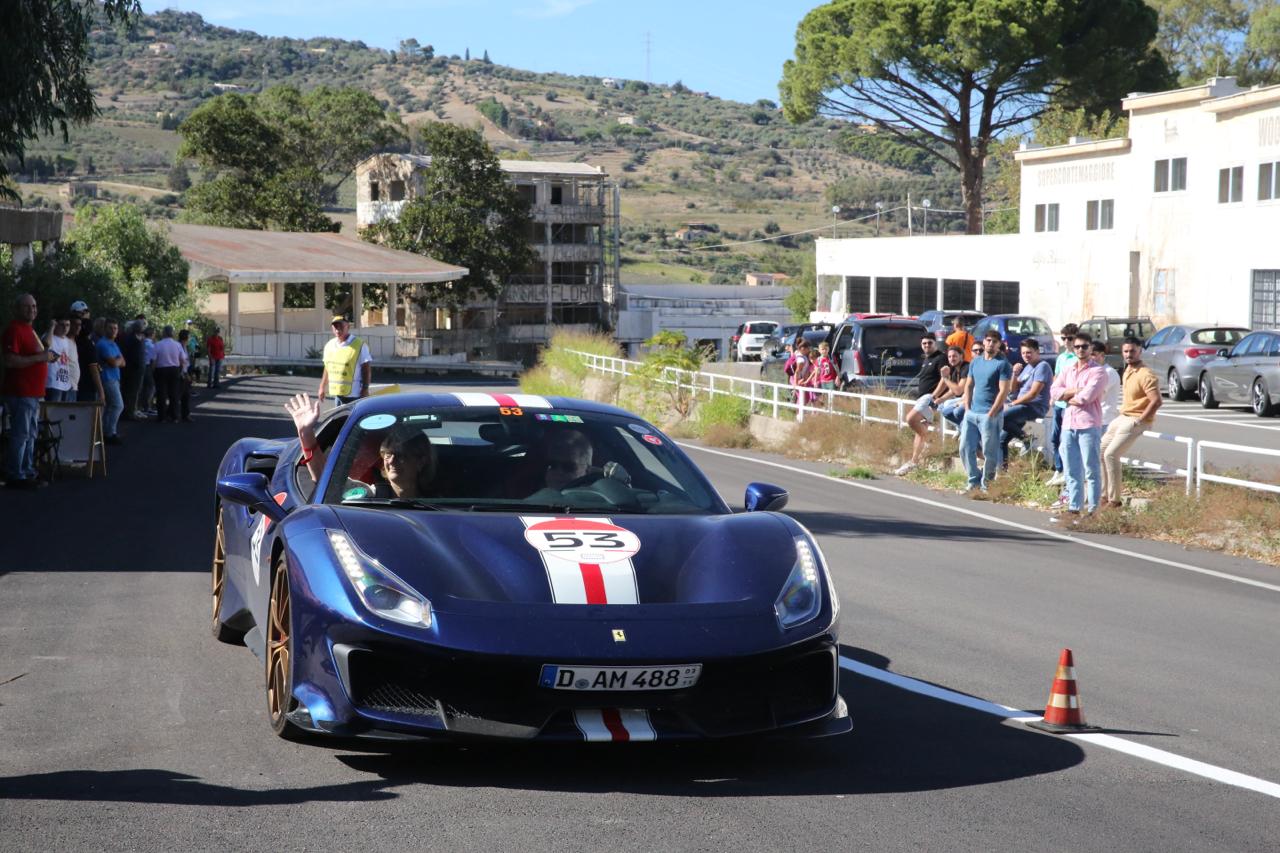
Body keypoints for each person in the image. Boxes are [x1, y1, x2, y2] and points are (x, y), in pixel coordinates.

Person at [284, 394, 436, 498]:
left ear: (421, 461)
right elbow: (327, 479)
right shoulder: (370, 495)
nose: (391, 461)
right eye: (388, 455)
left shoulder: (442, 500)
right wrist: (306, 433)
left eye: (401, 455)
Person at [3, 293, 59, 488]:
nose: (32, 310)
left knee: (31, 433)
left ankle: (27, 471)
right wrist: (40, 358)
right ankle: (15, 474)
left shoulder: (30, 330)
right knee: (21, 433)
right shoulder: (14, 330)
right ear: (17, 309)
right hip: (21, 391)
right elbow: (10, 360)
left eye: (34, 306)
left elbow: (40, 353)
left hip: (34, 392)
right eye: (27, 307)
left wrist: (46, 356)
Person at [1100, 337, 1162, 509]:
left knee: (1111, 455)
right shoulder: (1127, 369)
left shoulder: (1146, 374)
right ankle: (1103, 496)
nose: (1129, 354)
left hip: (1136, 419)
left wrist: (1141, 420)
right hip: (1123, 416)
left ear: (1140, 351)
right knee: (1101, 451)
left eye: (1132, 351)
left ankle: (1115, 501)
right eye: (1126, 351)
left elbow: (1156, 401)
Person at [1050, 334, 1106, 522]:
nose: (1080, 350)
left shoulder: (1098, 371)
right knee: (1072, 469)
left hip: (1088, 424)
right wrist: (1074, 391)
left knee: (1091, 469)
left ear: (1091, 349)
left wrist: (1067, 395)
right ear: (1073, 349)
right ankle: (1074, 507)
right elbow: (1054, 391)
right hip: (1068, 424)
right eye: (1077, 347)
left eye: (1084, 346)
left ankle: (1093, 510)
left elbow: (1086, 397)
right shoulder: (1068, 370)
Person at [959, 329, 1012, 493]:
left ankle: (986, 484)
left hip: (990, 414)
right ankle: (973, 480)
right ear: (984, 342)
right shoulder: (975, 362)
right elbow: (968, 385)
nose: (991, 344)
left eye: (995, 342)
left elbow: (1003, 391)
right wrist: (967, 407)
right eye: (988, 340)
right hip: (972, 412)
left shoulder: (1002, 364)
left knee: (990, 451)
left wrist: (992, 413)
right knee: (965, 447)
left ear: (999, 344)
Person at [894, 335, 946, 475]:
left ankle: (929, 440)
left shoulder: (940, 358)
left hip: (930, 397)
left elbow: (944, 379)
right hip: (922, 397)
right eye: (924, 343)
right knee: (919, 430)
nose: (927, 345)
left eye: (930, 343)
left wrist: (934, 397)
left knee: (911, 419)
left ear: (935, 343)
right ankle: (914, 461)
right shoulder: (926, 358)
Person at [1000, 337, 1053, 459]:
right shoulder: (1027, 367)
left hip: (1034, 407)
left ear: (1037, 352)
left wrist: (1013, 404)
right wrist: (1015, 374)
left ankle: (1026, 439)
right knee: (1001, 441)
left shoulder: (1042, 366)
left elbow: (1033, 393)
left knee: (1000, 416)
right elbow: (1013, 389)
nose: (1025, 355)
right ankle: (1002, 472)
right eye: (1023, 353)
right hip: (1021, 406)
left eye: (1029, 352)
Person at [1044, 323, 1080, 486]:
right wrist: (1053, 395)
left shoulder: (1079, 357)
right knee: (1055, 438)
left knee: (1068, 441)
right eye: (1063, 338)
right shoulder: (1062, 357)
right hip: (1059, 403)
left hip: (1070, 404)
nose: (1066, 342)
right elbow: (1056, 377)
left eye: (1070, 338)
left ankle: (1068, 471)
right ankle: (1058, 470)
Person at [318, 315, 372, 406]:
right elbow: (327, 368)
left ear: (348, 327)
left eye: (341, 327)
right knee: (340, 420)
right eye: (335, 327)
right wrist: (322, 387)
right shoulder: (329, 345)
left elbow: (366, 369)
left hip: (354, 395)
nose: (338, 330)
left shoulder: (359, 345)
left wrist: (365, 389)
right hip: (338, 394)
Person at [95, 320, 126, 445]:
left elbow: (123, 362)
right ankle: (110, 432)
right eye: (111, 328)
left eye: (115, 328)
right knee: (118, 405)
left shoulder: (113, 344)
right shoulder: (102, 344)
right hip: (107, 378)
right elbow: (114, 362)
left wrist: (116, 361)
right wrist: (116, 361)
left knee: (109, 407)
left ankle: (105, 432)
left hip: (114, 377)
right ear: (105, 329)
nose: (114, 330)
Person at [152, 325, 188, 423]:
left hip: (161, 369)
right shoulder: (177, 345)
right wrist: (181, 370)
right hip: (174, 369)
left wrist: (153, 371)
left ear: (164, 333)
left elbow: (154, 361)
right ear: (172, 333)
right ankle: (174, 416)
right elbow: (183, 360)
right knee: (174, 393)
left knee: (161, 394)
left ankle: (162, 417)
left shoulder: (158, 344)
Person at [72, 301, 104, 403]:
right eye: (81, 313)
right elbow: (93, 368)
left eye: (86, 312)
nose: (84, 315)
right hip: (82, 386)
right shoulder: (78, 341)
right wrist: (101, 392)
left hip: (83, 385)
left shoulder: (89, 340)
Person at [43, 317, 77, 403]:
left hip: (66, 384)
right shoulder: (50, 336)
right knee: (52, 414)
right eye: (62, 325)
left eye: (67, 325)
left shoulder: (68, 341)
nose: (65, 328)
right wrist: (51, 327)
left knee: (64, 414)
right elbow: (46, 343)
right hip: (53, 383)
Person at [118, 320, 146, 420]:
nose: (142, 329)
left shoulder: (140, 338)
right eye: (140, 327)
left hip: (138, 369)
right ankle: (129, 412)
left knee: (135, 390)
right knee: (130, 391)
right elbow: (127, 353)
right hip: (132, 369)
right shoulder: (130, 338)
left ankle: (132, 410)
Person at [936, 345, 969, 427]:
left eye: (954, 356)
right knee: (939, 406)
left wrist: (945, 378)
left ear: (961, 356)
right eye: (949, 356)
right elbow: (952, 391)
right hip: (960, 399)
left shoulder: (966, 367)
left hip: (968, 399)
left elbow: (958, 391)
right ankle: (960, 427)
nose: (951, 359)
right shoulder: (954, 370)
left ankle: (963, 428)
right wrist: (940, 399)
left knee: (947, 404)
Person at [1092, 341, 1121, 430]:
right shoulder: (1093, 371)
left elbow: (1095, 394)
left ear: (1102, 355)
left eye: (1093, 354)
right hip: (1093, 419)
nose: (1090, 358)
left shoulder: (1109, 372)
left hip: (1105, 420)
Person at [176, 329, 195, 421]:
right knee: (179, 395)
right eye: (189, 336)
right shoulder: (179, 346)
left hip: (185, 372)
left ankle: (185, 415)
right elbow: (180, 361)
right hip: (181, 373)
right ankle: (173, 414)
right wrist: (185, 373)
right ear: (186, 337)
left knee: (185, 395)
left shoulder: (184, 346)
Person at [140, 327, 157, 415]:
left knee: (143, 387)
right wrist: (153, 370)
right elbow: (153, 360)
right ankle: (147, 406)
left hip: (140, 366)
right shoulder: (151, 345)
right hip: (148, 367)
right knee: (151, 387)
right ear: (152, 334)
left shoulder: (141, 342)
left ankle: (142, 406)